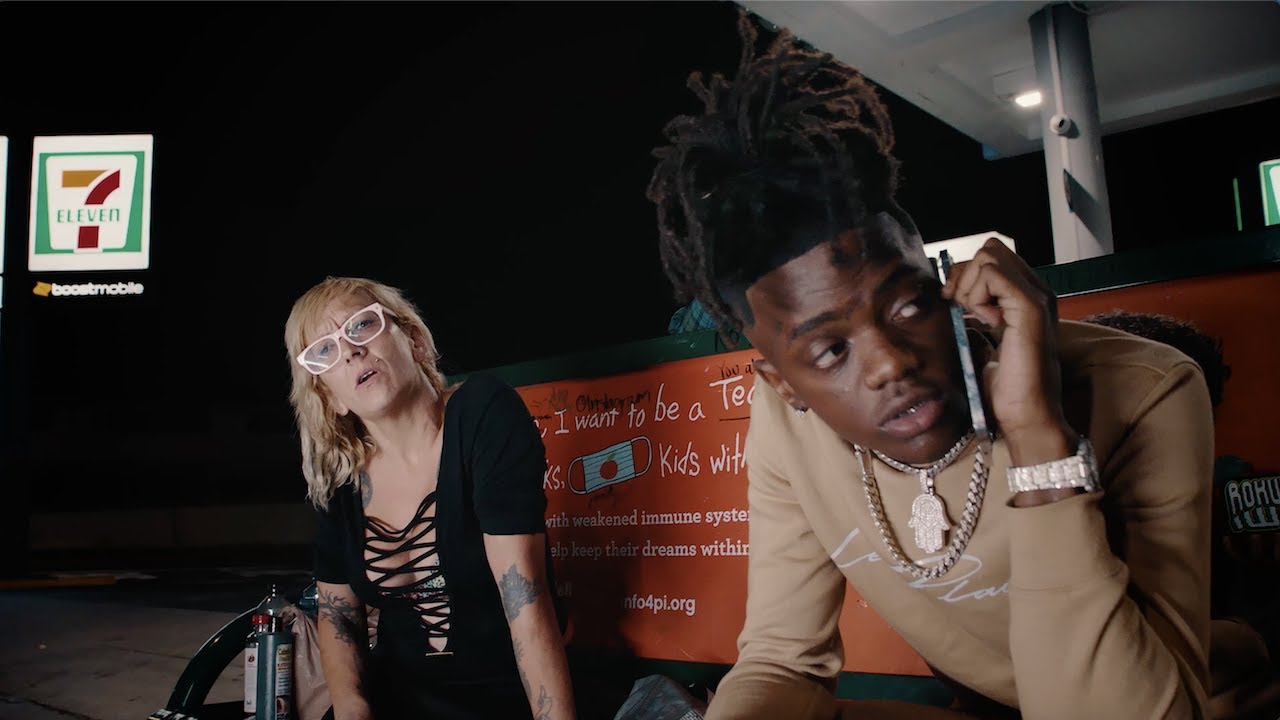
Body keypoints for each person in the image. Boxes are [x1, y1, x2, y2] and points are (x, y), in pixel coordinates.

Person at [647, 12, 1213, 720]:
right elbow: (783, 660)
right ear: (783, 383)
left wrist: (1039, 440)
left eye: (910, 305)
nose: (891, 362)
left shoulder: (1148, 390)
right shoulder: (784, 426)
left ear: (945, 280)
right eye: (830, 351)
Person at [284, 276, 576, 720]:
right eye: (325, 350)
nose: (350, 350)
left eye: (361, 325)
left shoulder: (482, 413)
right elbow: (338, 616)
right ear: (330, 398)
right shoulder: (341, 477)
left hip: (504, 699)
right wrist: (353, 708)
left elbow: (526, 601)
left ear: (415, 341)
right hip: (399, 700)